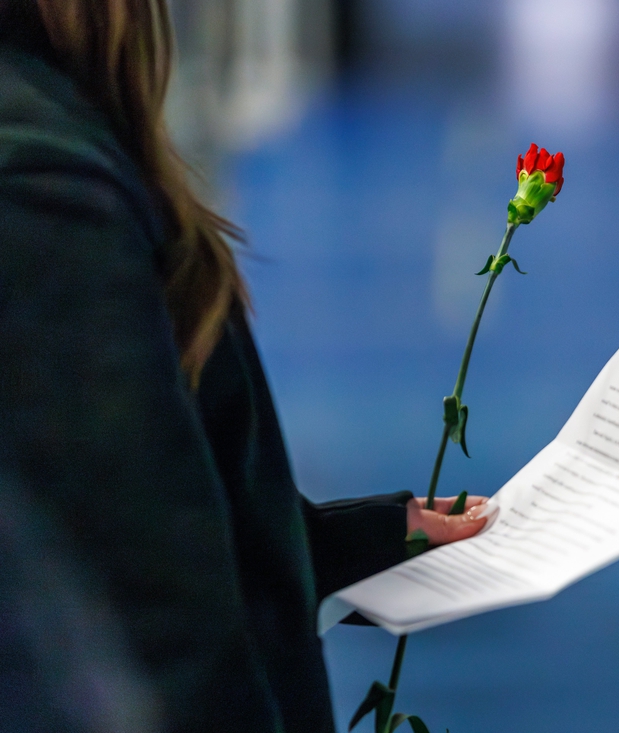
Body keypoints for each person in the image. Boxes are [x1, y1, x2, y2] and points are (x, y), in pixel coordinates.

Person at [0, 1, 490, 731]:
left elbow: (119, 512)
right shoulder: (39, 177)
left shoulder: (53, 128)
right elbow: (152, 618)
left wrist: (364, 535)